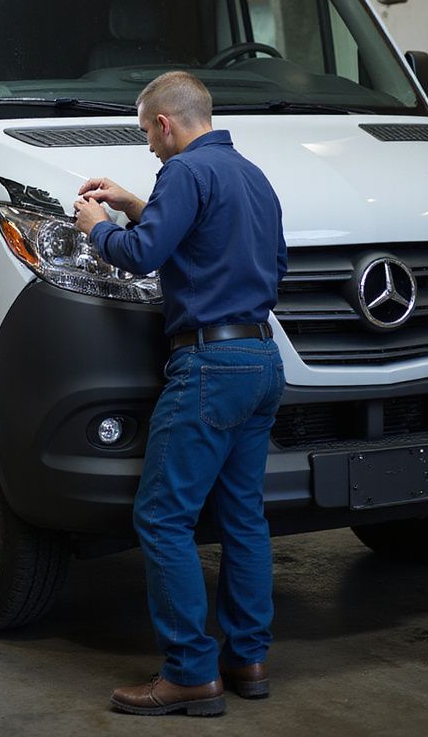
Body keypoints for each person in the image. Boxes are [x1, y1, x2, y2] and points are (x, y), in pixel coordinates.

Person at [74, 70, 287, 718]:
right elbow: (238, 253)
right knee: (244, 516)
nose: (148, 147)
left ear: (166, 123)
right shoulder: (251, 176)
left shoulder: (186, 174)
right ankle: (247, 659)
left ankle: (190, 672)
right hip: (260, 359)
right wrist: (138, 203)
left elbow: (142, 256)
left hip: (208, 368)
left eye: (146, 132)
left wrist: (96, 225)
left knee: (163, 518)